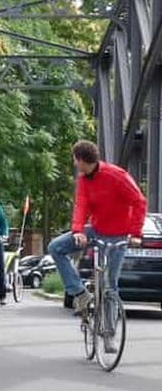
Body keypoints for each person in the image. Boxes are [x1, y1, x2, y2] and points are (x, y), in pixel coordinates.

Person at [48, 141, 145, 339]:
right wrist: (78, 231)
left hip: (118, 236)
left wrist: (135, 234)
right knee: (56, 247)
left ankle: (109, 332)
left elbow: (139, 202)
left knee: (110, 284)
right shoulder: (84, 179)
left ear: (82, 159)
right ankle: (80, 292)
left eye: (75, 159)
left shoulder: (117, 176)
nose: (75, 164)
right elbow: (81, 204)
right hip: (96, 230)